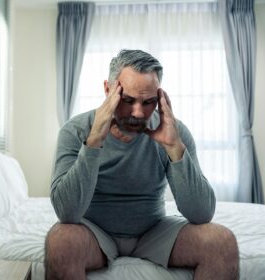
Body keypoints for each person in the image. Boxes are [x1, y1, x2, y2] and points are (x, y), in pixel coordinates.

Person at [45, 50, 239, 280]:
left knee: (221, 242)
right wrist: (95, 139)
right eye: (127, 100)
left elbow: (201, 213)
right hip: (95, 233)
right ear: (108, 90)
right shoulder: (75, 130)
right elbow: (67, 212)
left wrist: (174, 147)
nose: (138, 113)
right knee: (60, 240)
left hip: (153, 232)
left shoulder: (172, 130)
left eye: (149, 102)